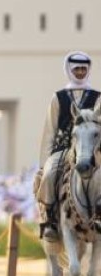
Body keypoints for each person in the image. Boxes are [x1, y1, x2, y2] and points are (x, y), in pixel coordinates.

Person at [35, 52, 99, 240]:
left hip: (92, 150)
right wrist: (43, 163)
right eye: (76, 69)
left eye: (83, 69)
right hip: (63, 149)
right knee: (49, 175)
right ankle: (50, 220)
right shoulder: (58, 98)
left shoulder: (98, 97)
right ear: (70, 70)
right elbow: (50, 130)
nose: (80, 72)